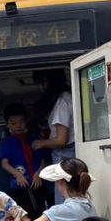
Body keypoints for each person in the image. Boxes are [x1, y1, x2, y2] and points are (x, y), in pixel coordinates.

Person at [31, 71, 75, 204]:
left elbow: (61, 139)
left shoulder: (62, 101)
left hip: (65, 153)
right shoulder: (68, 97)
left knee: (64, 199)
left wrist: (41, 143)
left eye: (42, 84)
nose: (42, 88)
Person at [0, 103, 49, 215]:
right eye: (13, 123)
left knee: (41, 212)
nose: (18, 126)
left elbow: (44, 160)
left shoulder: (35, 139)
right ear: (7, 124)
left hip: (38, 182)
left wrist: (39, 173)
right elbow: (4, 163)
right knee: (23, 214)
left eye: (21, 122)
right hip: (19, 185)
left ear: (26, 121)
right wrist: (17, 174)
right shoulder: (7, 143)